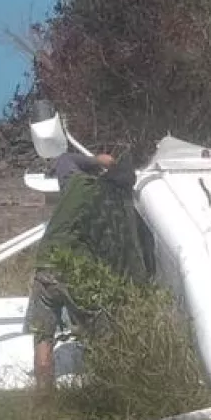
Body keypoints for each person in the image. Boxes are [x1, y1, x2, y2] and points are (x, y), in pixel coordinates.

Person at [24, 155, 146, 391]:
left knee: (42, 337)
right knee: (105, 341)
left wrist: (96, 159)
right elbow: (131, 265)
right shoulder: (121, 211)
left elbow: (64, 160)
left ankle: (43, 403)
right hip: (79, 277)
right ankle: (106, 396)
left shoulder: (77, 183)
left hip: (47, 268)